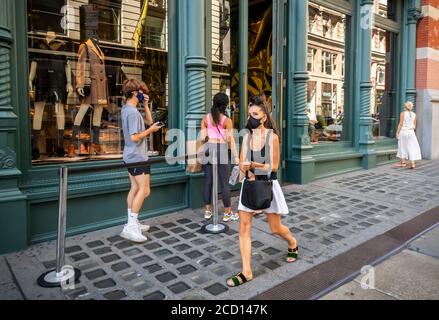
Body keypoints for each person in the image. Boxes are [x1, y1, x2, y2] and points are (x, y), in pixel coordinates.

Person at [226, 95, 298, 288]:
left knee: (275, 228)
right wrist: (243, 167)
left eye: (255, 114)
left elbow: (274, 167)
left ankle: (292, 242)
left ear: (264, 117)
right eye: (250, 114)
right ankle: (246, 272)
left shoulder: (272, 137)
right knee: (243, 227)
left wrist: (255, 164)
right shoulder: (247, 136)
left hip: (268, 185)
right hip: (249, 185)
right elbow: (242, 164)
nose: (251, 118)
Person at [120, 79, 162, 243]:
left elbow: (150, 122)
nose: (144, 94)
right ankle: (131, 226)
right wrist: (151, 130)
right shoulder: (131, 112)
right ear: (133, 93)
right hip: (136, 156)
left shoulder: (129, 110)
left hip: (134, 156)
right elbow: (134, 137)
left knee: (136, 188)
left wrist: (145, 106)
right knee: (143, 190)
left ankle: (132, 221)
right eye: (142, 91)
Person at [200, 92, 240, 222]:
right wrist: (236, 157)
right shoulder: (227, 120)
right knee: (224, 184)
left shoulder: (206, 118)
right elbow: (231, 141)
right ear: (225, 104)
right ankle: (227, 213)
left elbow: (202, 138)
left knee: (207, 182)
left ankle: (207, 211)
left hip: (207, 149)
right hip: (221, 150)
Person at [396, 101, 422, 169]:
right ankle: (412, 163)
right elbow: (414, 126)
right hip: (411, 132)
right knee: (411, 147)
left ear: (405, 107)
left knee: (402, 146)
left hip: (404, 132)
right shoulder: (414, 114)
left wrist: (397, 132)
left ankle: (403, 162)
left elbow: (401, 124)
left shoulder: (403, 113)